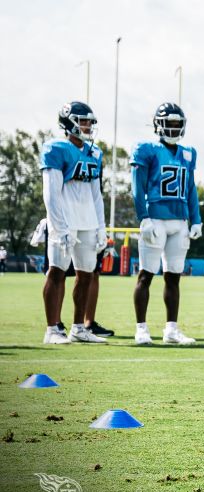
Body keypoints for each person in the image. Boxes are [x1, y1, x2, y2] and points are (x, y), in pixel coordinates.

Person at [131, 102, 202, 345]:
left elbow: (191, 188)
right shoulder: (147, 149)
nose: (173, 128)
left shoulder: (188, 152)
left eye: (177, 124)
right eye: (168, 123)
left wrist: (196, 219)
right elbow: (137, 187)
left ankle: (171, 329)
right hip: (156, 218)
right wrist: (144, 217)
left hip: (179, 220)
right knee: (146, 275)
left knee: (173, 277)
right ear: (158, 125)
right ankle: (141, 328)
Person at [39, 101, 108, 344]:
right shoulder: (55, 148)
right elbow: (51, 193)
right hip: (65, 221)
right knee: (56, 272)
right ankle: (52, 330)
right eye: (83, 120)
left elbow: (96, 194)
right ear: (69, 122)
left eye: (90, 121)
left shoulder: (94, 152)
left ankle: (79, 328)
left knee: (87, 274)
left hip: (88, 221)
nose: (88, 125)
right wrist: (58, 226)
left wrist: (101, 226)